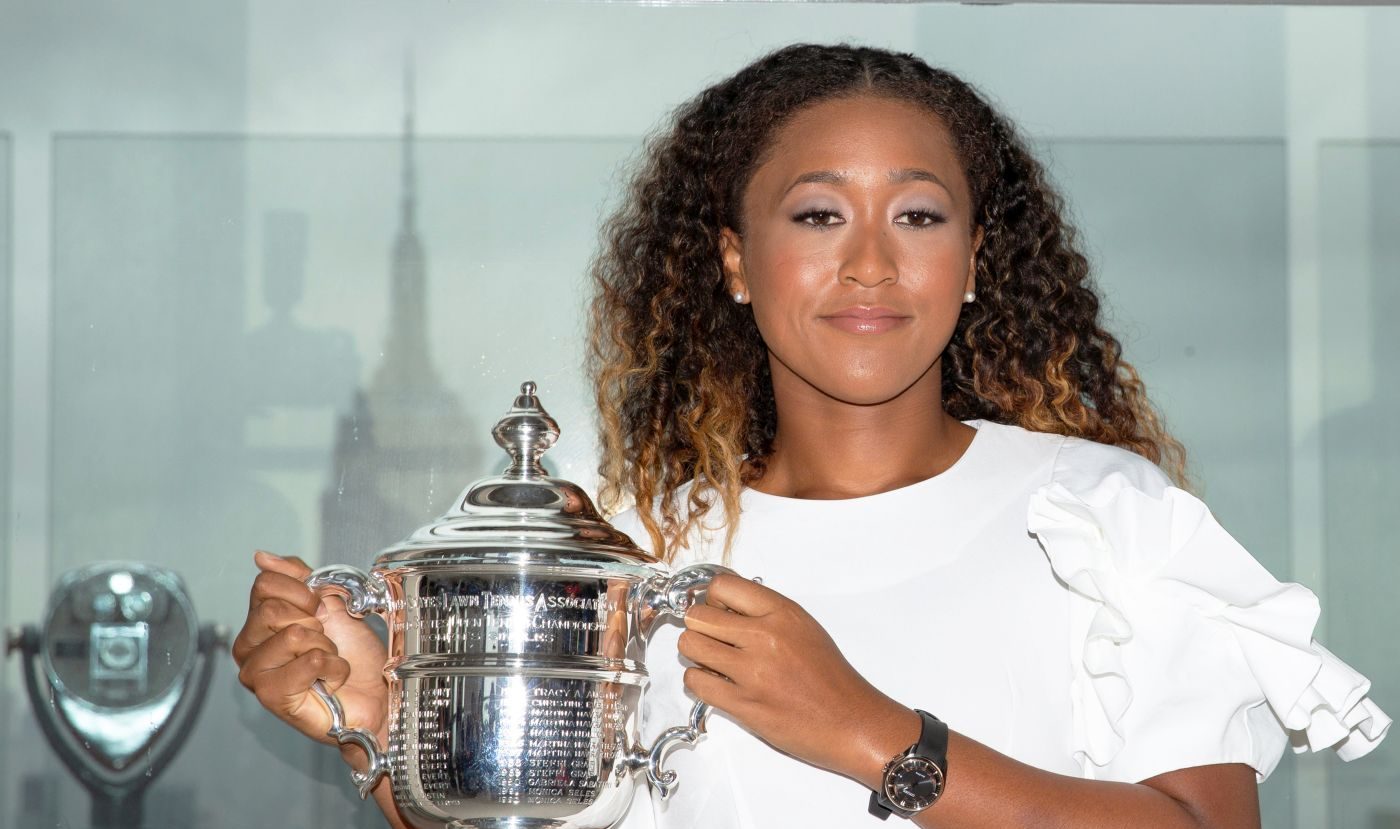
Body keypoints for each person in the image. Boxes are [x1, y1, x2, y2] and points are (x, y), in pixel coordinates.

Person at [232, 43, 1390, 828]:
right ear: (735, 261)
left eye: (920, 216)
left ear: (976, 257)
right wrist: (377, 725)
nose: (872, 263)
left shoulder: (1101, 516)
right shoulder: (629, 551)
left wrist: (869, 732)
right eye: (819, 213)